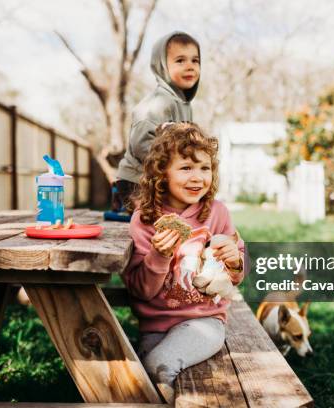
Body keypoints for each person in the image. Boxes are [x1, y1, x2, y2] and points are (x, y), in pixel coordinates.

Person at [122, 122, 244, 404]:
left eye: (205, 168)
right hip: (156, 325)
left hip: (205, 321)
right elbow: (141, 291)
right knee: (146, 370)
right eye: (186, 168)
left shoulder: (217, 212)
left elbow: (236, 274)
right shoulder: (145, 220)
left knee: (155, 367)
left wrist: (235, 261)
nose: (197, 177)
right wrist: (159, 256)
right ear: (161, 174)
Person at [114, 31, 201, 213]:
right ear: (162, 66)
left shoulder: (184, 104)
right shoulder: (158, 103)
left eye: (195, 60)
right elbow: (141, 145)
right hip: (137, 182)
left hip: (161, 180)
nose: (190, 66)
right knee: (159, 224)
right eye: (180, 60)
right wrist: (173, 165)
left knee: (191, 216)